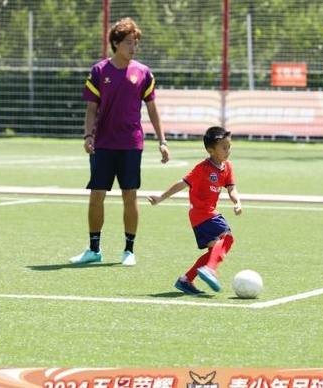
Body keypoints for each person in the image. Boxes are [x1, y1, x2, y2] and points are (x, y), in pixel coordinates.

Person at [70, 17, 169, 266]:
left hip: (131, 144)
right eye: (128, 42)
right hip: (103, 144)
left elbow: (153, 109)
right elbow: (91, 108)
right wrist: (88, 135)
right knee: (96, 196)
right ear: (115, 43)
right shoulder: (99, 70)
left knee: (130, 196)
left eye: (135, 43)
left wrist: (162, 140)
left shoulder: (144, 73)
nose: (133, 47)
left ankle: (129, 250)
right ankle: (94, 250)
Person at [148, 126, 242, 294]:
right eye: (224, 147)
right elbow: (182, 184)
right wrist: (161, 197)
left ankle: (185, 280)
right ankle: (210, 269)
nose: (228, 150)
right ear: (211, 150)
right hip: (202, 213)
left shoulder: (227, 167)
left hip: (204, 214)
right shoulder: (202, 168)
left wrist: (237, 201)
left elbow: (231, 188)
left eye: (229, 146)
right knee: (228, 239)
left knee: (215, 250)